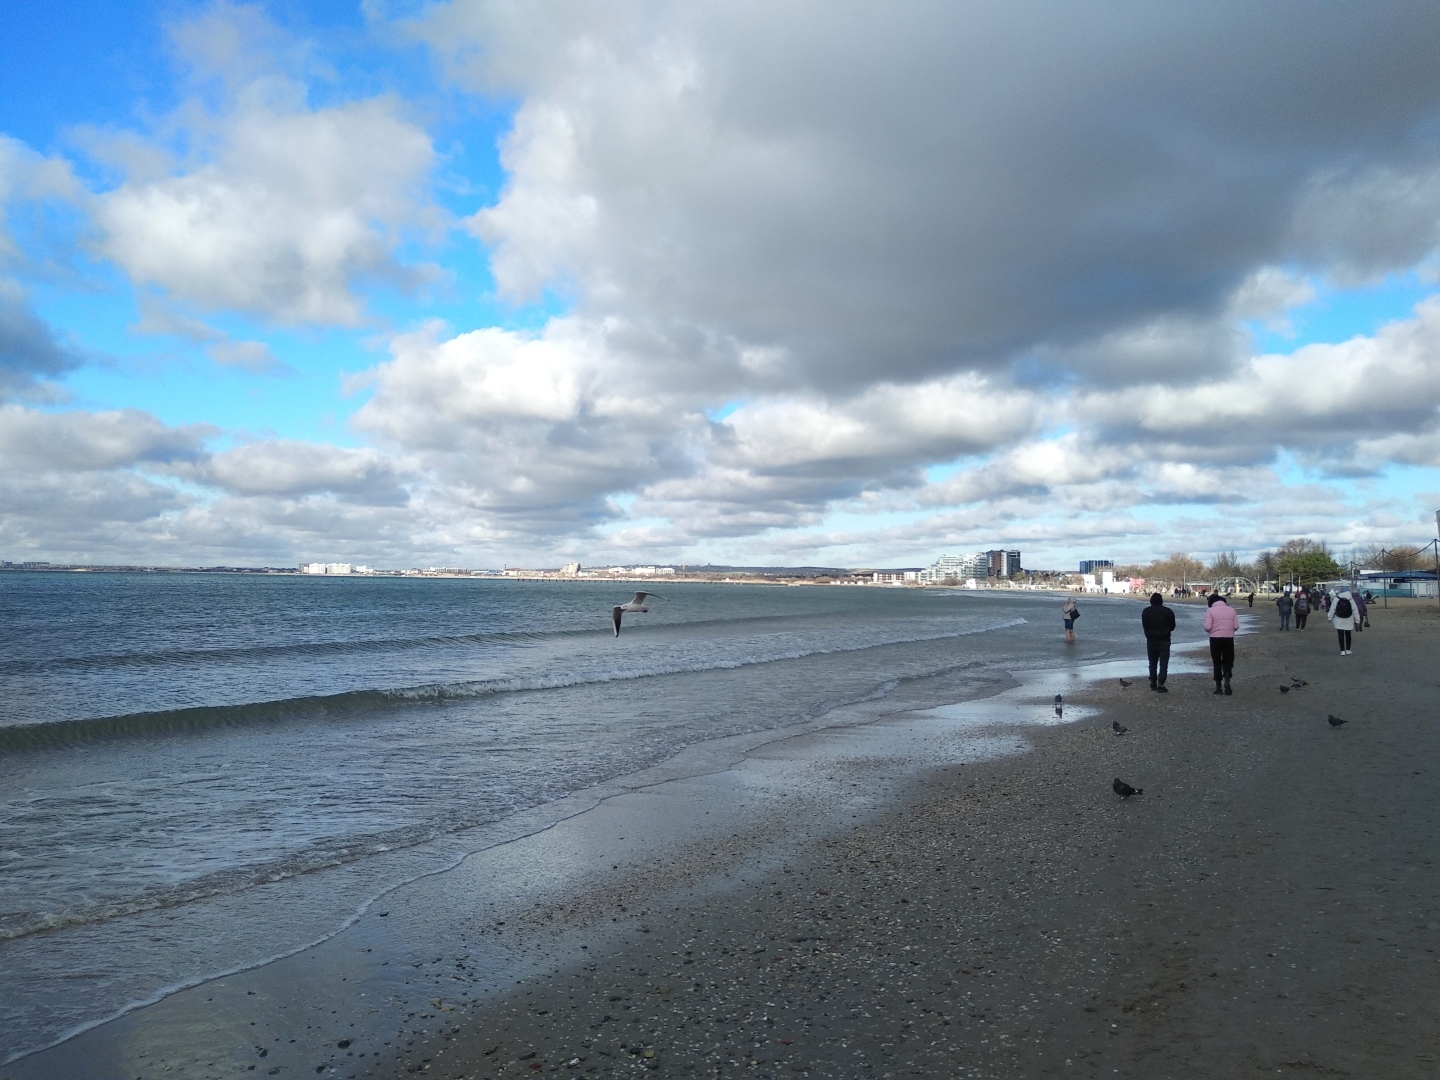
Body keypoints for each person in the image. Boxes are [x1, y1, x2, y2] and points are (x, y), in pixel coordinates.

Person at [1204, 592, 1240, 695]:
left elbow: (1207, 627)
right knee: (1228, 660)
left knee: (1216, 662)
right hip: (1228, 638)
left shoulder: (1210, 611)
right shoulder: (1231, 610)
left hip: (1215, 639)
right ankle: (1227, 678)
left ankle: (1218, 687)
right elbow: (1236, 626)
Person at [1141, 592, 1175, 692]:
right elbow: (1172, 626)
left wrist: (1149, 633)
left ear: (1151, 601)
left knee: (1152, 662)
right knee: (1163, 663)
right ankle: (1161, 683)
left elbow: (1145, 625)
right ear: (1161, 601)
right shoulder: (1168, 611)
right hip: (1164, 639)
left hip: (1151, 639)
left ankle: (1153, 682)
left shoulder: (1146, 611)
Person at [1328, 588, 1355, 654]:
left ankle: (1342, 650)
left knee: (1340, 635)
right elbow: (1355, 610)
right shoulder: (1351, 599)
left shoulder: (1336, 599)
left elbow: (1332, 609)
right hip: (1349, 619)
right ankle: (1348, 649)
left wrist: (1330, 618)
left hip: (1339, 619)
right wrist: (1357, 620)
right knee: (1348, 635)